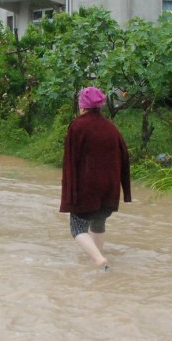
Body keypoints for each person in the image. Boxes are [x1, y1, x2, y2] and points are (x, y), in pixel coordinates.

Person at [60, 86, 131, 270]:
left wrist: (69, 193)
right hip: (109, 189)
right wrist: (124, 191)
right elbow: (124, 158)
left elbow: (70, 160)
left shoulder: (77, 126)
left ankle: (99, 259)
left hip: (87, 188)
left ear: (82, 106)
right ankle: (99, 263)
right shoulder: (112, 128)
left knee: (77, 228)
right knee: (98, 222)